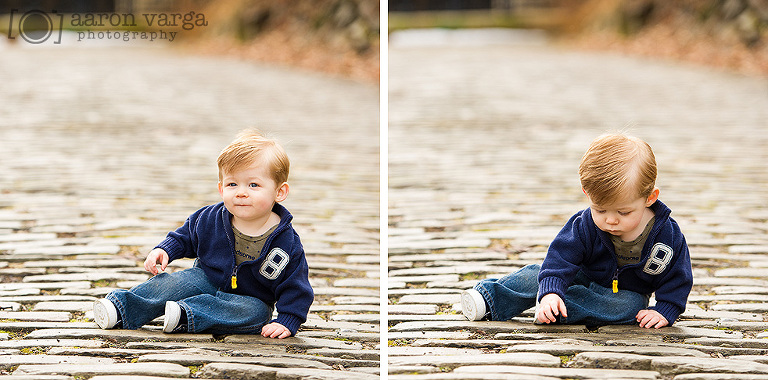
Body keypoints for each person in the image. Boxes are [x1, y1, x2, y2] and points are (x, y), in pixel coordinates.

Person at [93, 129, 313, 338]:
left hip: (250, 298)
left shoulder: (286, 242)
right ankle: (122, 308)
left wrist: (287, 320)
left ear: (280, 191)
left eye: (254, 185)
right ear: (221, 189)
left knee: (255, 314)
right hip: (205, 278)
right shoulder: (210, 217)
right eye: (232, 184)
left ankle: (185, 315)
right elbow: (185, 236)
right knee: (173, 284)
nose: (241, 193)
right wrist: (165, 249)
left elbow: (296, 285)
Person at [461, 133, 692, 329]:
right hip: (580, 274)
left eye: (623, 212)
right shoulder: (584, 224)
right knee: (539, 274)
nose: (610, 220)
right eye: (600, 209)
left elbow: (678, 276)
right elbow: (560, 257)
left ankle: (557, 311)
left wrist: (666, 309)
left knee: (629, 308)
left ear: (650, 198)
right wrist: (551, 290)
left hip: (624, 292)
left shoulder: (667, 236)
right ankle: (490, 298)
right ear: (586, 193)